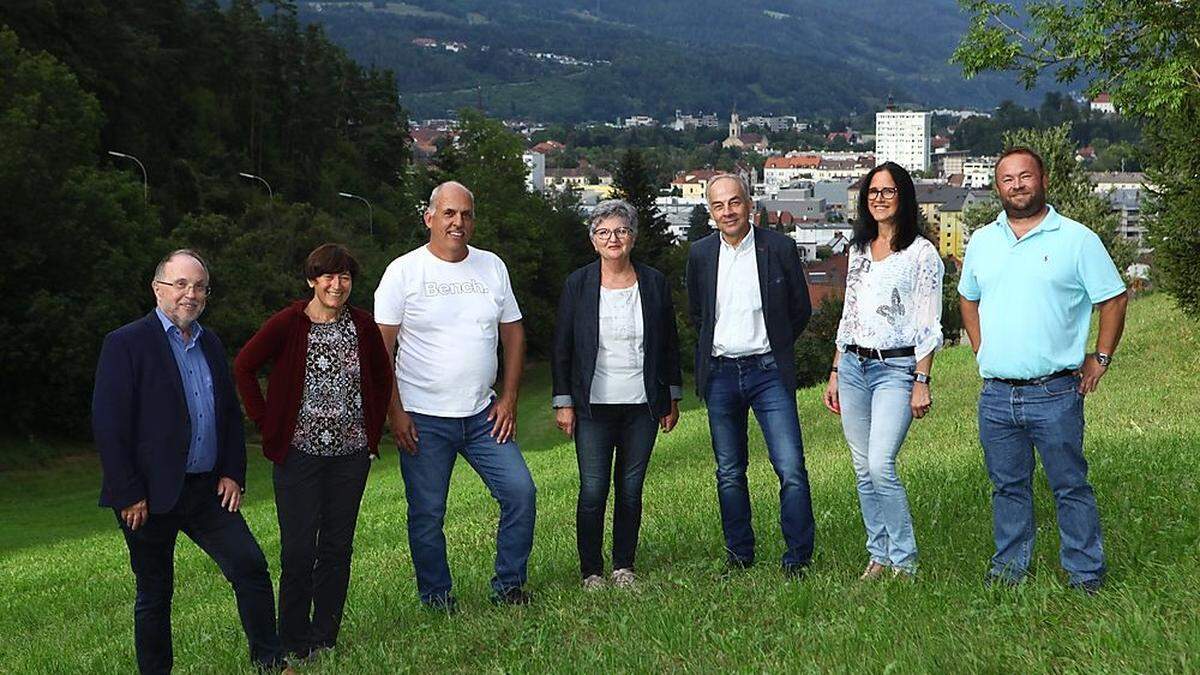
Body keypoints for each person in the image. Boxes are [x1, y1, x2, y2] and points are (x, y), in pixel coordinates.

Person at [92, 249, 289, 674]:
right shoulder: (125, 343)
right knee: (155, 594)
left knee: (250, 567)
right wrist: (128, 492)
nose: (191, 294)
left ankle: (270, 662)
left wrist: (233, 472)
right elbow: (109, 424)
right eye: (181, 284)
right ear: (158, 288)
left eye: (199, 286)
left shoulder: (210, 342)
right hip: (147, 497)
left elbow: (228, 416)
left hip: (206, 491)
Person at [958, 147, 1128, 594]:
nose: (1017, 185)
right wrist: (982, 349)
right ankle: (1010, 570)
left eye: (1025, 176)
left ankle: (1085, 575)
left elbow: (1113, 297)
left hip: (1055, 392)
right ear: (997, 187)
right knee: (1007, 487)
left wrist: (1102, 356)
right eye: (1007, 179)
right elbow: (967, 298)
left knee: (1070, 485)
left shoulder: (1076, 239)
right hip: (996, 395)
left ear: (1043, 180)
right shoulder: (981, 240)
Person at [374, 181, 537, 611]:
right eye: (448, 213)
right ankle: (437, 598)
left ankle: (509, 586)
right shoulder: (403, 271)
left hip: (484, 413)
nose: (457, 222)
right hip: (423, 418)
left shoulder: (491, 267)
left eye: (465, 214)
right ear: (429, 218)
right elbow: (379, 350)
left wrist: (510, 398)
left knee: (520, 492)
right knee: (428, 514)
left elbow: (514, 333)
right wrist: (396, 412)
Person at [233, 244, 393, 659]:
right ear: (311, 280)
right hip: (299, 454)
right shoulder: (289, 323)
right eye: (327, 277)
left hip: (350, 455)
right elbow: (244, 366)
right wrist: (265, 421)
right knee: (299, 549)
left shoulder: (362, 326)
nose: (336, 285)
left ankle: (325, 637)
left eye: (344, 277)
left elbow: (381, 375)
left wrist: (371, 430)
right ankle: (293, 639)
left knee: (337, 548)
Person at [685, 173, 817, 578]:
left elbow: (800, 310)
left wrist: (773, 345)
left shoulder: (779, 248)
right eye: (719, 206)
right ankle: (739, 556)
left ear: (750, 204)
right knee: (728, 472)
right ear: (711, 212)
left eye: (735, 202)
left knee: (790, 467)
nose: (728, 212)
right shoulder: (700, 254)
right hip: (722, 373)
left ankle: (798, 558)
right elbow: (697, 315)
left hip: (768, 371)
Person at [551, 199, 683, 590]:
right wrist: (563, 402)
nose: (614, 239)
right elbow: (562, 346)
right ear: (593, 241)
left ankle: (624, 566)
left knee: (630, 488)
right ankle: (591, 571)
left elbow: (669, 343)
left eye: (621, 231)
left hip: (642, 404)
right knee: (593, 489)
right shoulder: (578, 283)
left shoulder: (654, 282)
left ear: (633, 237)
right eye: (604, 232)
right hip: (593, 405)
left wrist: (671, 396)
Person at [821, 162, 944, 580]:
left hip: (896, 369)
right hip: (854, 364)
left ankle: (905, 561)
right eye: (873, 191)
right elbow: (849, 314)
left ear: (904, 197)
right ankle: (879, 555)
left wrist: (921, 380)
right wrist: (836, 369)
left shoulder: (922, 254)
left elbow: (929, 323)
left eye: (888, 191)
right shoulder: (858, 249)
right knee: (861, 467)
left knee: (880, 464)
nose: (879, 198)